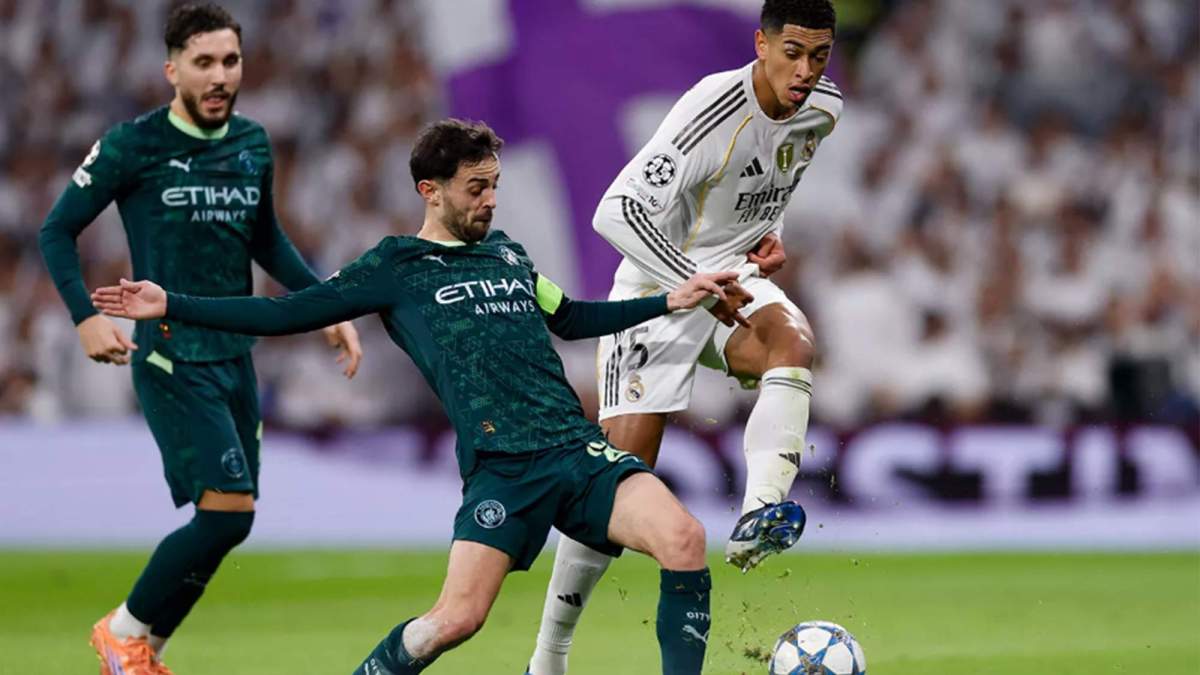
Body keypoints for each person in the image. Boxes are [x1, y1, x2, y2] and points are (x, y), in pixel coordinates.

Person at [93, 118, 747, 675]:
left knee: (684, 538)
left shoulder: (509, 256)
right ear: (430, 191)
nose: (491, 200)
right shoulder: (394, 267)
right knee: (456, 620)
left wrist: (671, 300)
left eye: (495, 185)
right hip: (504, 468)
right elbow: (286, 313)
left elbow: (571, 317)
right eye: (476, 188)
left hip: (575, 451)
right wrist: (173, 303)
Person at [38, 4, 361, 673]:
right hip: (170, 353)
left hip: (235, 356)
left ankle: (142, 655)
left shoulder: (252, 143)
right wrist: (84, 316)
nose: (220, 76)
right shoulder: (133, 144)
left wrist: (326, 304)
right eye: (204, 62)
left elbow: (265, 240)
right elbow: (56, 230)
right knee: (226, 513)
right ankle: (122, 630)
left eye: (230, 61)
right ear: (172, 70)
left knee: (233, 519)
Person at [526, 0, 843, 672]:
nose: (806, 70)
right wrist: (689, 282)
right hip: (654, 291)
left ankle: (760, 511)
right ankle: (547, 657)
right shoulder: (712, 108)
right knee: (617, 481)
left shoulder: (824, 109)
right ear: (761, 44)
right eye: (792, 53)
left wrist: (767, 231)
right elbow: (616, 212)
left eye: (819, 56)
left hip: (730, 278)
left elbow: (765, 178)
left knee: (793, 341)